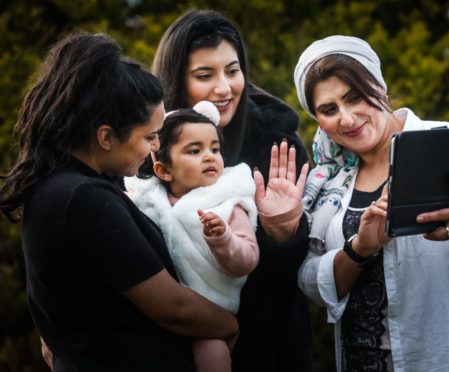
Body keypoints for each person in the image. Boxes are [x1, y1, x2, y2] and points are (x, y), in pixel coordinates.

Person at [293, 35, 449, 371]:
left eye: (354, 97)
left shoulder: (448, 139)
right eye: (329, 109)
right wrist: (360, 249)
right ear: (318, 120)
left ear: (380, 88)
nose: (347, 118)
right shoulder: (326, 183)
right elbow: (310, 278)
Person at [0, 32, 239, 371]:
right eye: (149, 136)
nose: (155, 146)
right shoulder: (83, 198)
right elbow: (172, 307)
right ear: (106, 137)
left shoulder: (65, 183)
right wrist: (229, 324)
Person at [152, 10, 313, 371]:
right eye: (204, 75)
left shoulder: (275, 143)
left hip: (266, 341)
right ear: (176, 79)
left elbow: (300, 264)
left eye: (233, 70)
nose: (224, 88)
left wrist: (283, 233)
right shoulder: (145, 142)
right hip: (166, 341)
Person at [125, 102, 259, 372]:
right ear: (164, 170)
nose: (209, 156)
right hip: (156, 312)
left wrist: (224, 239)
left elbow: (248, 260)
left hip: (209, 314)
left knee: (213, 356)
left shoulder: (228, 202)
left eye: (215, 149)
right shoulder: (149, 200)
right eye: (195, 151)